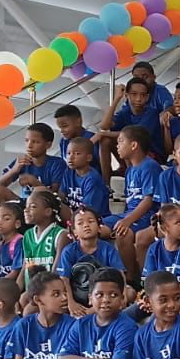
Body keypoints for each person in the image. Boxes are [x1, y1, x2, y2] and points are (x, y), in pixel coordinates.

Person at [105, 124, 164, 273]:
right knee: (96, 228)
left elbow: (149, 200)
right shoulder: (130, 170)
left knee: (123, 233)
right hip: (128, 214)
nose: (117, 146)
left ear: (133, 145)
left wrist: (127, 220)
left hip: (146, 216)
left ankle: (132, 276)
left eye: (120, 141)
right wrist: (125, 218)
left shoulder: (150, 166)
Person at [57, 208, 122, 317]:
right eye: (80, 223)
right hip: (76, 294)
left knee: (130, 293)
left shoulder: (108, 249)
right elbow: (64, 279)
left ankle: (94, 311)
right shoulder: (69, 251)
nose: (86, 225)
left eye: (91, 221)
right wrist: (71, 303)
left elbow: (119, 274)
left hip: (103, 294)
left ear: (99, 227)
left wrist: (93, 308)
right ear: (74, 231)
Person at [0, 122, 69, 210]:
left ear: (48, 145)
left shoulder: (57, 163)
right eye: (26, 140)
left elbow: (56, 198)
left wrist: (34, 182)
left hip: (45, 207)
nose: (29, 145)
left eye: (35, 142)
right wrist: (14, 170)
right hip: (25, 205)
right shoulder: (22, 161)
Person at [97, 78, 165, 177]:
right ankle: (106, 183)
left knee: (129, 142)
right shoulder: (125, 112)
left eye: (142, 95)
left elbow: (136, 136)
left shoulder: (152, 113)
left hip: (152, 156)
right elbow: (104, 126)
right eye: (134, 94)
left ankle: (131, 177)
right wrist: (116, 99)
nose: (138, 99)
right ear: (127, 95)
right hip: (131, 153)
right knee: (105, 141)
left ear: (147, 97)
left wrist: (103, 133)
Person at [20, 189, 68, 290]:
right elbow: (26, 267)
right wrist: (16, 291)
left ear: (48, 211)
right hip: (32, 291)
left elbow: (56, 271)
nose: (26, 210)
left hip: (49, 290)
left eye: (33, 207)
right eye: (26, 206)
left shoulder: (61, 235)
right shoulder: (28, 235)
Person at [59, 137, 110, 220]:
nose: (71, 157)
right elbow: (62, 194)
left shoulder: (92, 179)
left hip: (91, 219)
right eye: (68, 153)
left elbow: (87, 210)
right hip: (74, 214)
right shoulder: (69, 171)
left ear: (88, 158)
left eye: (77, 154)